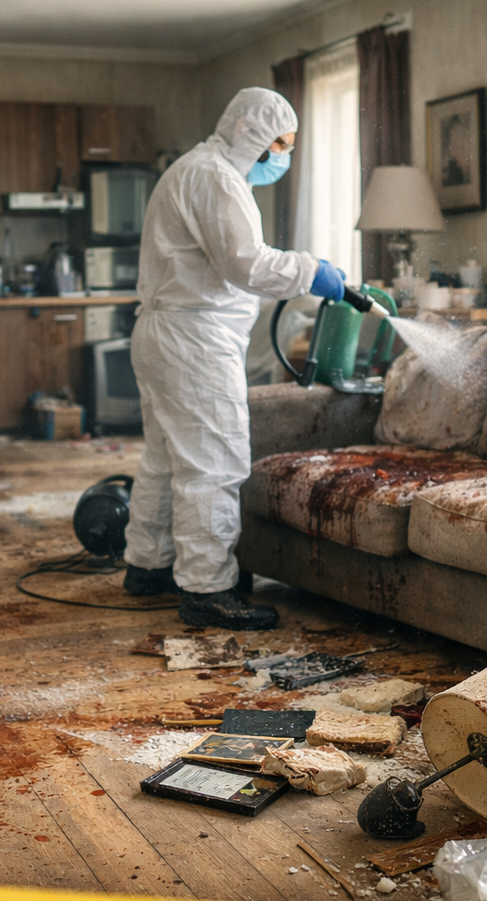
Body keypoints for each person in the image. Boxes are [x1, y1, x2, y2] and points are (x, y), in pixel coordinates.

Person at [122, 86, 350, 631]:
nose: (284, 157)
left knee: (164, 455)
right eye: (282, 144)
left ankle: (148, 565)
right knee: (213, 463)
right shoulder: (215, 177)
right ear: (255, 135)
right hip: (193, 342)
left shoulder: (196, 169)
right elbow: (244, 263)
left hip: (165, 333)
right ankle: (207, 588)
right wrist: (311, 270)